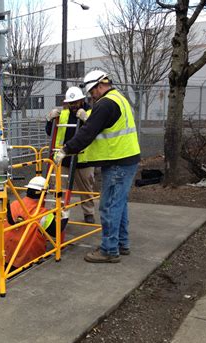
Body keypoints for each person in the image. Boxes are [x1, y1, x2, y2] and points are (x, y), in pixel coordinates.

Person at [54, 70, 140, 263]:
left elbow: (88, 132)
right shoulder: (119, 98)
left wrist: (65, 150)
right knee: (119, 205)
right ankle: (121, 244)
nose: (91, 96)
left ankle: (109, 250)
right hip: (126, 158)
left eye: (92, 92)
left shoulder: (105, 104)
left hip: (118, 161)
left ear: (100, 86)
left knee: (109, 206)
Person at [46, 86, 96, 224]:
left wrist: (86, 119)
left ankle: (89, 213)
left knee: (86, 188)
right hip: (64, 158)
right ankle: (60, 214)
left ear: (81, 100)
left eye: (75, 103)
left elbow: (96, 131)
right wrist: (50, 120)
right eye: (70, 103)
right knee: (59, 189)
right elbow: (51, 132)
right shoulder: (64, 114)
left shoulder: (92, 113)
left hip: (84, 159)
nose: (73, 106)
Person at [4, 176, 69, 268]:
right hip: (29, 259)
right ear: (43, 194)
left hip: (7, 254)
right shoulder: (43, 213)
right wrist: (65, 216)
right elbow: (56, 232)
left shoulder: (14, 204)